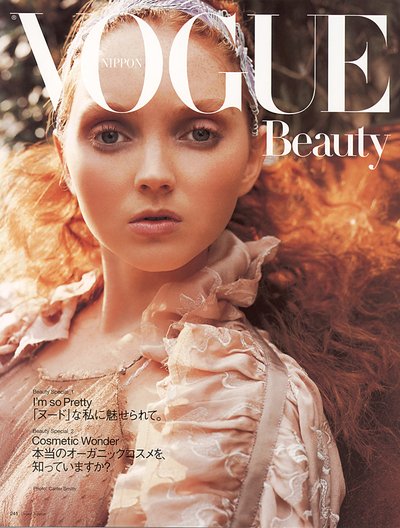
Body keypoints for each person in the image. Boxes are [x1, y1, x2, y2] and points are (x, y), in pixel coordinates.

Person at [0, 0, 397, 526]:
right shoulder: (23, 328)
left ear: (252, 158)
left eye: (199, 133)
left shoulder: (242, 402)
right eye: (110, 134)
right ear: (64, 160)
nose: (155, 174)